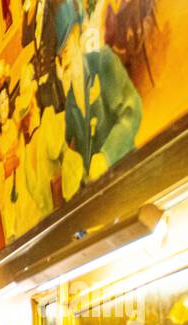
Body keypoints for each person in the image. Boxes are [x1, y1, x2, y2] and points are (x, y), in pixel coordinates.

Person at [53, 0, 142, 199]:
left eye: (68, 44)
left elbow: (132, 111)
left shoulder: (103, 62)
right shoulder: (70, 100)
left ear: (78, 38)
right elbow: (68, 142)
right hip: (99, 197)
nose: (65, 55)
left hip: (127, 176)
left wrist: (106, 156)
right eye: (61, 52)